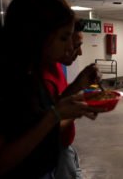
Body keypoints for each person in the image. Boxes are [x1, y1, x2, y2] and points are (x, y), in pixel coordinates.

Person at [0, 0, 104, 178]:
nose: (70, 47)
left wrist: (77, 87)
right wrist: (54, 116)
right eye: (63, 38)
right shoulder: (0, 78)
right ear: (38, 34)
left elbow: (43, 115)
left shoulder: (30, 68)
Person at [42, 18, 97, 179]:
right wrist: (80, 108)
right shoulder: (40, 79)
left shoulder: (56, 65)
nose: (78, 52)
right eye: (66, 40)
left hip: (65, 147)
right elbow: (45, 128)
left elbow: (58, 103)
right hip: (53, 154)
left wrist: (78, 85)